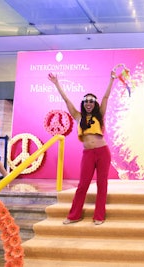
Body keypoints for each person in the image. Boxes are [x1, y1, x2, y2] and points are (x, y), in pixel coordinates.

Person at [48, 71, 116, 225]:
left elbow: (105, 97)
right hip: (88, 154)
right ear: (83, 104)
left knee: (102, 184)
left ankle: (99, 216)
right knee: (83, 184)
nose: (89, 104)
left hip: (102, 152)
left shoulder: (100, 115)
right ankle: (74, 215)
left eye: (91, 101)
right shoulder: (78, 116)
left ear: (95, 104)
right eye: (86, 101)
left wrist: (111, 79)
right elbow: (66, 100)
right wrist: (56, 83)